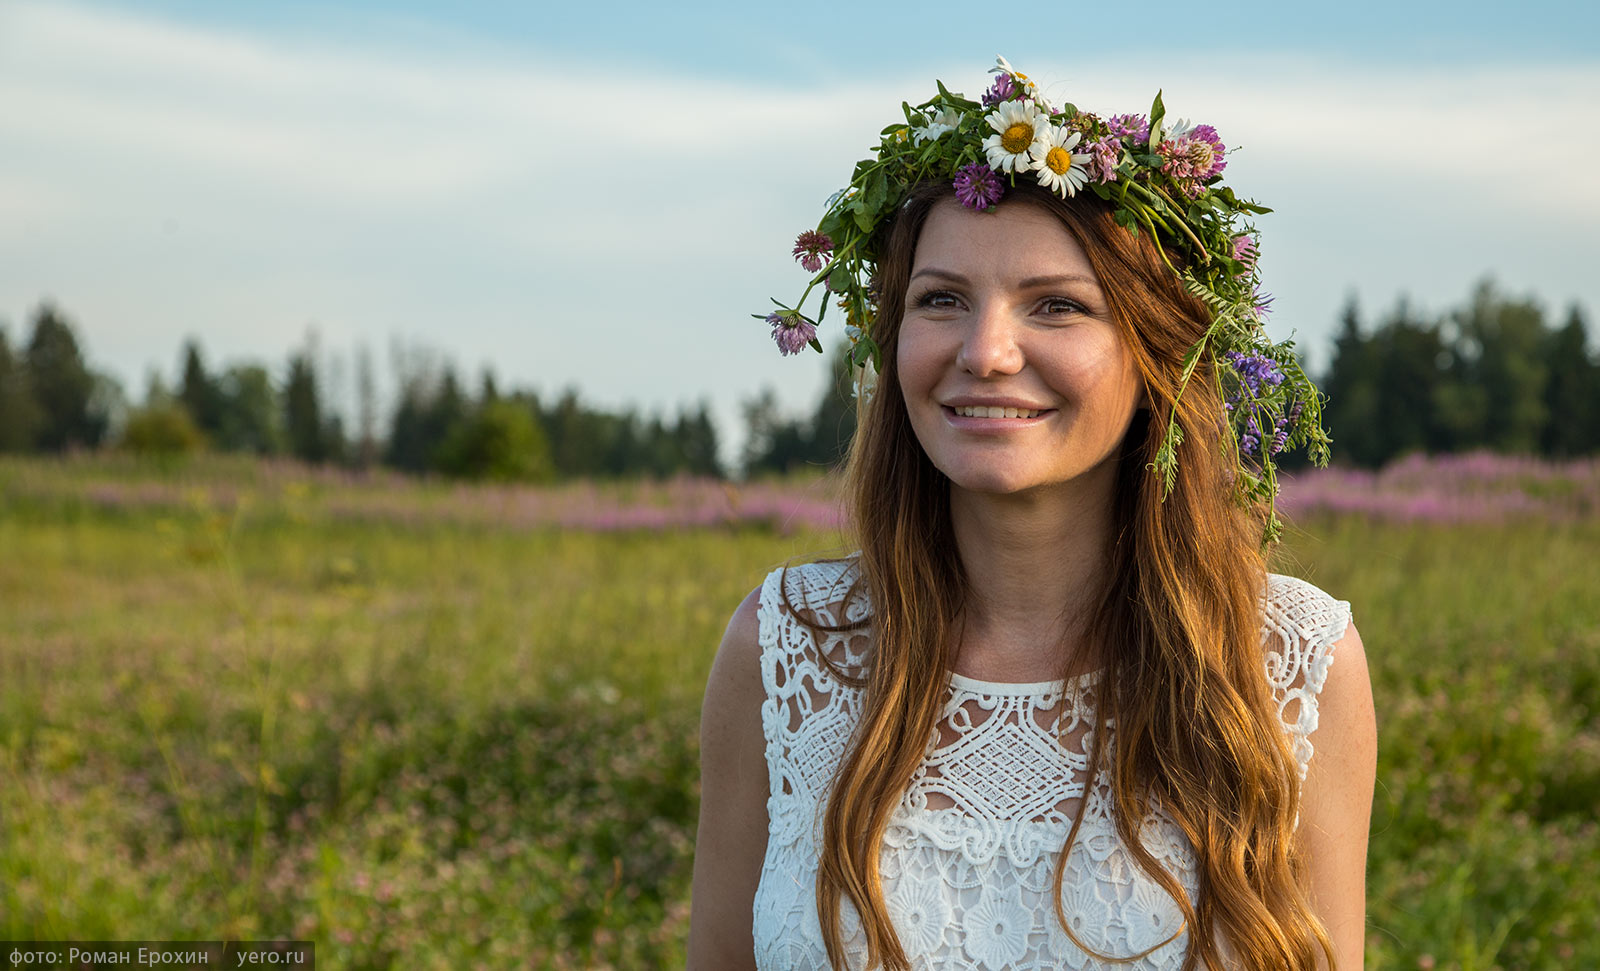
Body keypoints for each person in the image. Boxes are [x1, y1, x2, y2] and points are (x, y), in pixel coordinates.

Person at [688, 58, 1376, 971]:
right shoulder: (785, 650)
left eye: (1057, 305)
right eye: (941, 300)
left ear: (1159, 353)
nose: (986, 352)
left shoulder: (1291, 660)